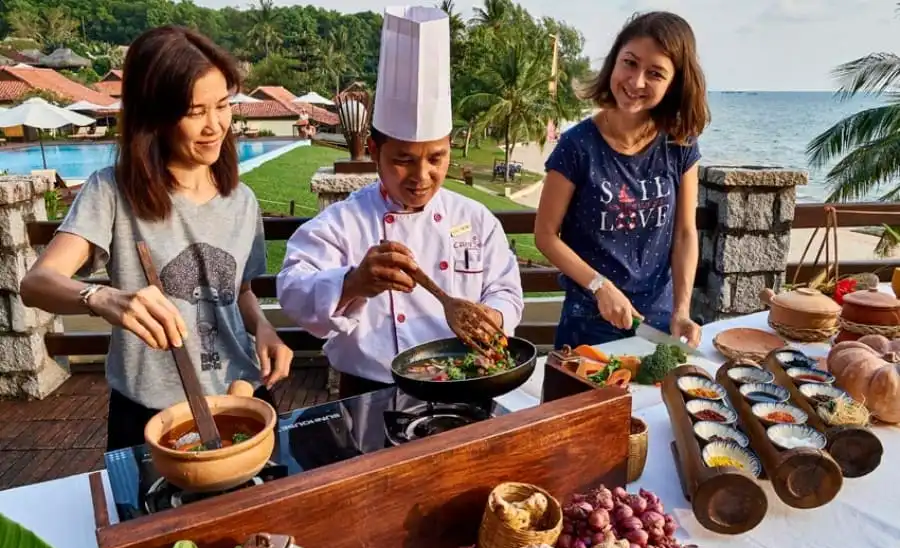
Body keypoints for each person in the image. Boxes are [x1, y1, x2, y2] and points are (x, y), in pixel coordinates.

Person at [20, 26, 293, 451]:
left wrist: (264, 329)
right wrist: (103, 299)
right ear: (155, 117)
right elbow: (36, 284)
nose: (214, 125)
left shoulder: (242, 200)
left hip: (240, 393)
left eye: (222, 105)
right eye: (194, 111)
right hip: (151, 412)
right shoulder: (111, 191)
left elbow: (238, 292)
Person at [277, 6, 524, 398]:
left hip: (463, 383)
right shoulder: (342, 223)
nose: (421, 177)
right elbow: (292, 289)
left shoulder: (475, 219)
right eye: (403, 160)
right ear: (375, 151)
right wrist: (353, 282)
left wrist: (492, 317)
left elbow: (506, 290)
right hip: (368, 392)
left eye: (436, 158)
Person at [534, 11, 710, 350]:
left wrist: (682, 309)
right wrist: (600, 286)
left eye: (655, 73)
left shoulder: (680, 143)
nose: (636, 81)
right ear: (614, 61)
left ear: (674, 83)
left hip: (659, 324)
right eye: (629, 63)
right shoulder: (576, 147)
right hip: (589, 322)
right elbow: (544, 235)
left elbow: (686, 232)